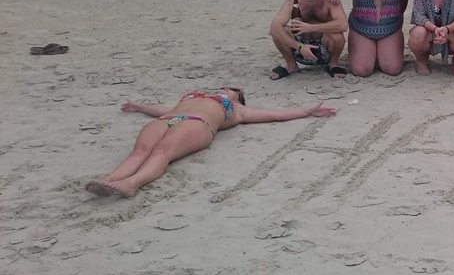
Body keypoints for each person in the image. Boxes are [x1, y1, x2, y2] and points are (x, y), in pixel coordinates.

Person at [84, 89, 337, 199]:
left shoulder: (236, 110)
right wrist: (140, 106)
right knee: (140, 150)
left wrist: (306, 111)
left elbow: (273, 114)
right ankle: (109, 180)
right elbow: (166, 108)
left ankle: (130, 184)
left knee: (162, 152)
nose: (227, 89)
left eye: (233, 90)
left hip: (198, 123)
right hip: (170, 116)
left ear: (239, 98)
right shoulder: (194, 95)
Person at [269, 0, 349, 79]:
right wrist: (299, 47)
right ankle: (291, 65)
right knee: (279, 31)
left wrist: (312, 27)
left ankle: (333, 63)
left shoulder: (329, 0)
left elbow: (343, 25)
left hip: (324, 48)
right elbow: (274, 27)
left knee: (337, 35)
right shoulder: (293, 1)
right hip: (300, 48)